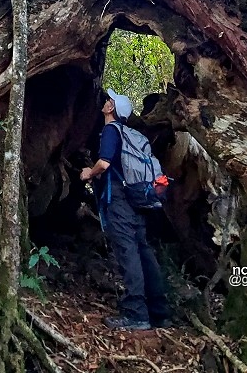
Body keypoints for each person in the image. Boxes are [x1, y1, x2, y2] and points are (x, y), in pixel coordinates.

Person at [80, 88, 172, 331]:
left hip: (120, 202)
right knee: (143, 251)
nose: (106, 101)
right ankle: (159, 312)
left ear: (112, 109)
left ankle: (135, 314)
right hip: (138, 200)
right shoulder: (133, 134)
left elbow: (105, 162)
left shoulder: (111, 130)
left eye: (109, 100)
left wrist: (89, 172)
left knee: (128, 252)